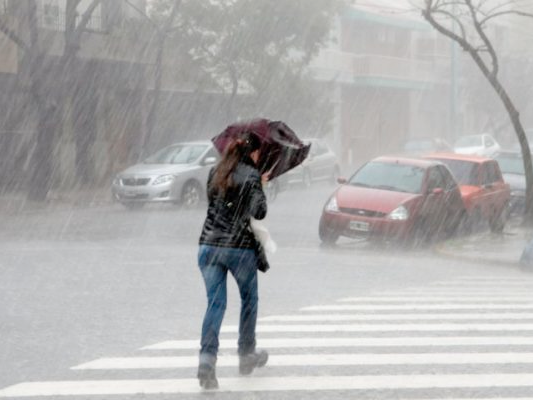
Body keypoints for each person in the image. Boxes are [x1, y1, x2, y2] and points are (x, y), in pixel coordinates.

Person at [197, 132, 269, 389]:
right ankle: (246, 354)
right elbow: (259, 211)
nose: (259, 157)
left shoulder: (215, 172)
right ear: (253, 153)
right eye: (259, 153)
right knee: (249, 299)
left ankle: (206, 361)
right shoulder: (251, 175)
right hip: (238, 249)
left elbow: (216, 204)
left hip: (208, 246)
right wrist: (260, 184)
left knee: (215, 305)